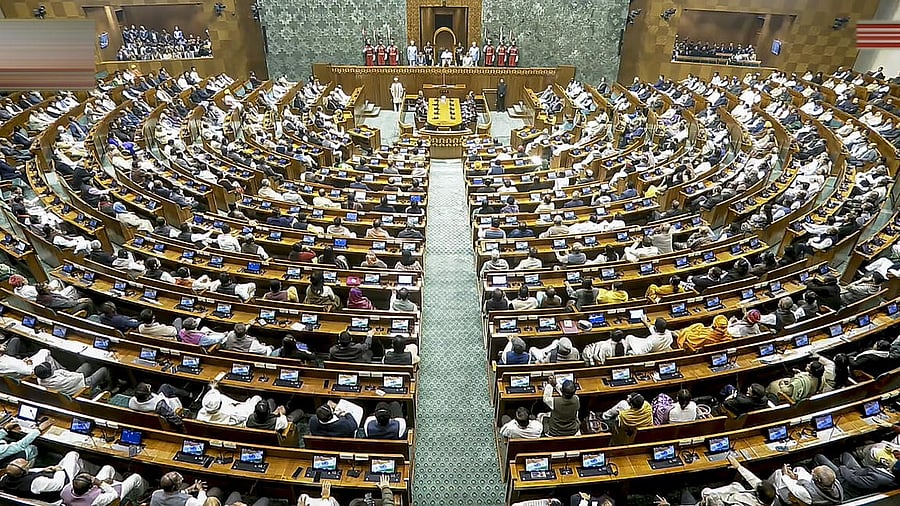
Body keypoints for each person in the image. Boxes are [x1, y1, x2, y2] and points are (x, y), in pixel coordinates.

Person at [0, 450, 84, 501]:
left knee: (70, 464)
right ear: (23, 472)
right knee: (72, 455)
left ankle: (79, 469)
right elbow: (58, 484)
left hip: (34, 492)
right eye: (27, 465)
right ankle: (82, 476)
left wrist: (43, 469)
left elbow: (29, 471)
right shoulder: (35, 482)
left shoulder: (5, 478)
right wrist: (59, 471)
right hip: (61, 490)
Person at [812, 452, 898, 499]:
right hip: (857, 471)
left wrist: (843, 468)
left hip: (846, 481)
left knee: (819, 457)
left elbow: (853, 479)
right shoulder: (888, 472)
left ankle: (813, 471)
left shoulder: (878, 480)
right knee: (846, 454)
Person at [61, 467, 146, 506]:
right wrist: (100, 483)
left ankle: (120, 479)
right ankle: (136, 499)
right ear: (90, 487)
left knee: (108, 468)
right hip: (110, 496)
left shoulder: (65, 490)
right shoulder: (94, 500)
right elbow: (114, 494)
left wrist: (103, 483)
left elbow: (81, 483)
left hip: (98, 489)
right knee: (136, 477)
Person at [769, 463, 843, 505]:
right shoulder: (835, 483)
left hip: (797, 499)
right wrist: (795, 476)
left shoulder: (806, 492)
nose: (812, 470)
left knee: (778, 473)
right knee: (799, 469)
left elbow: (792, 487)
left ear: (817, 479)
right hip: (818, 498)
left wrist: (785, 473)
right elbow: (808, 480)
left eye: (813, 472)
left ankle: (767, 488)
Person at [33, 361, 110, 396]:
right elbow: (76, 379)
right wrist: (79, 375)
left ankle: (101, 381)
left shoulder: (40, 379)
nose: (52, 368)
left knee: (87, 365)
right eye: (50, 369)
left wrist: (71, 374)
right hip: (80, 387)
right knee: (104, 370)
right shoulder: (59, 381)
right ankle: (110, 388)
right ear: (48, 374)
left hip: (72, 381)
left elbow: (66, 374)